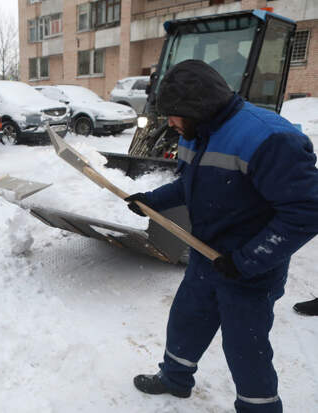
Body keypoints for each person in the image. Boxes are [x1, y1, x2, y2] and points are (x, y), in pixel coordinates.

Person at [125, 60, 318, 412]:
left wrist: (247, 261)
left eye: (174, 114)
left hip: (251, 267)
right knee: (186, 319)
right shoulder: (195, 132)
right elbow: (191, 184)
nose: (169, 122)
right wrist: (152, 201)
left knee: (245, 345)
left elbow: (306, 212)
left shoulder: (268, 138)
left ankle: (259, 407)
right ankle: (175, 379)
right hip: (206, 252)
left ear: (197, 108)